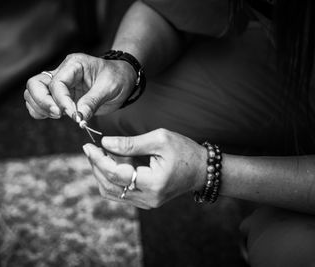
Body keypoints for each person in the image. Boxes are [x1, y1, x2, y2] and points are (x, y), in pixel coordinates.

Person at [24, 0, 315, 266]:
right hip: (297, 60)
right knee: (128, 108)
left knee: (284, 250)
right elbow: (168, 11)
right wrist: (124, 65)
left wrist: (208, 170)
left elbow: (207, 170)